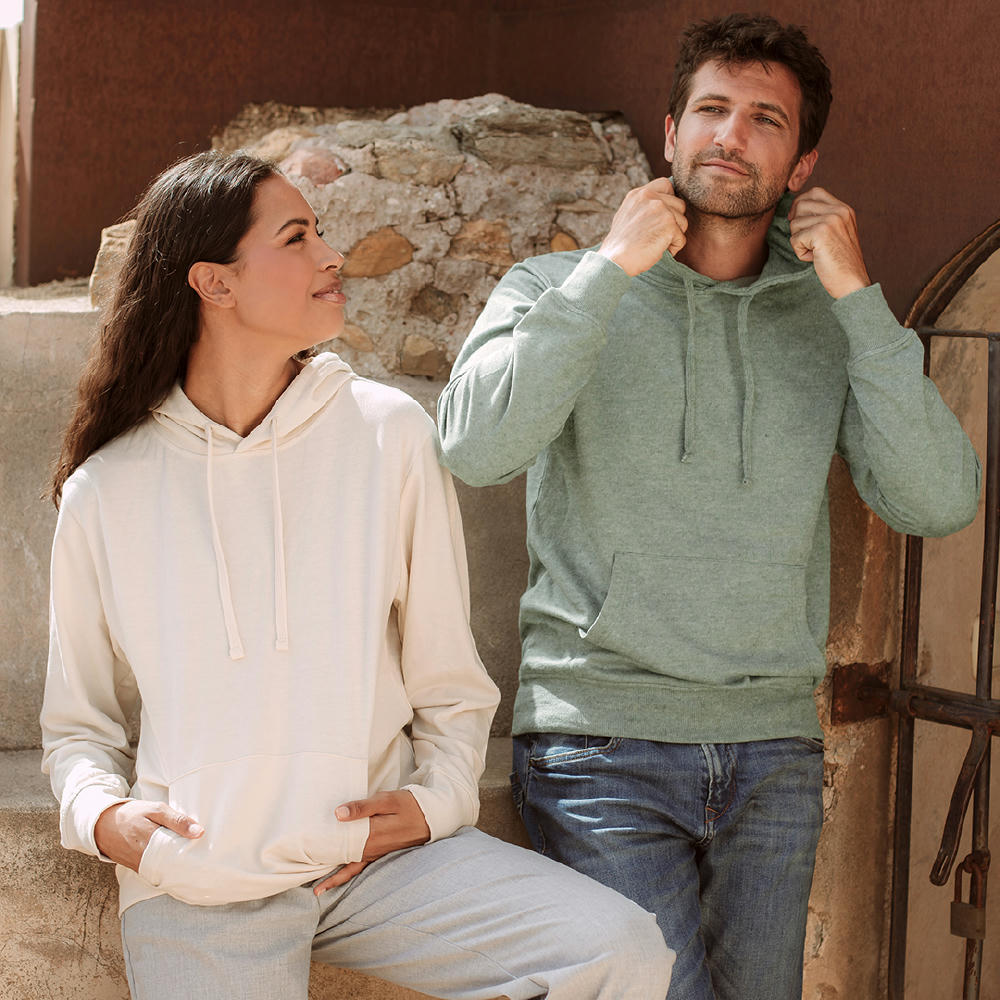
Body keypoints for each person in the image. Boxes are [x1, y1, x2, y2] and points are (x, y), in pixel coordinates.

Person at [39, 150, 674, 1000]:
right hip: (199, 883)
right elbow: (78, 726)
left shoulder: (388, 434)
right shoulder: (106, 489)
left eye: (322, 232)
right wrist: (107, 821)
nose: (331, 255)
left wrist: (437, 801)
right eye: (296, 238)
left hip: (377, 865)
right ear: (213, 283)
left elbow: (449, 681)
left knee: (617, 951)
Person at [437, 13, 980, 1000]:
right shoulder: (557, 287)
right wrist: (607, 271)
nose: (731, 135)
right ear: (671, 131)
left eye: (764, 120)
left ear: (802, 163)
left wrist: (858, 298)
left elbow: (937, 500)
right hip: (599, 742)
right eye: (711, 110)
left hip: (772, 751)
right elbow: (474, 446)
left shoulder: (830, 316)